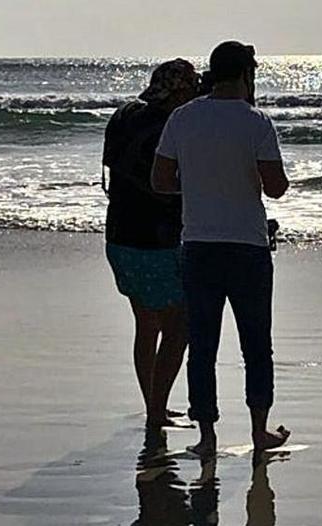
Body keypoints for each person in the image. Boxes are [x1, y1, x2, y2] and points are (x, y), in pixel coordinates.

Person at [152, 41, 291, 460]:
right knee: (255, 343)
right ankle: (259, 430)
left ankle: (207, 435)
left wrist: (197, 186)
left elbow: (160, 180)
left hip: (198, 244)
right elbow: (276, 187)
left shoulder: (182, 117)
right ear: (247, 75)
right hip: (247, 245)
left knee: (203, 343)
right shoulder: (256, 122)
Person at [102, 59, 198, 429]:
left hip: (120, 236)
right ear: (181, 91)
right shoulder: (173, 126)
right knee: (180, 326)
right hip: (159, 241)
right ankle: (157, 410)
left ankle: (153, 406)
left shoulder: (125, 116)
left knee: (146, 325)